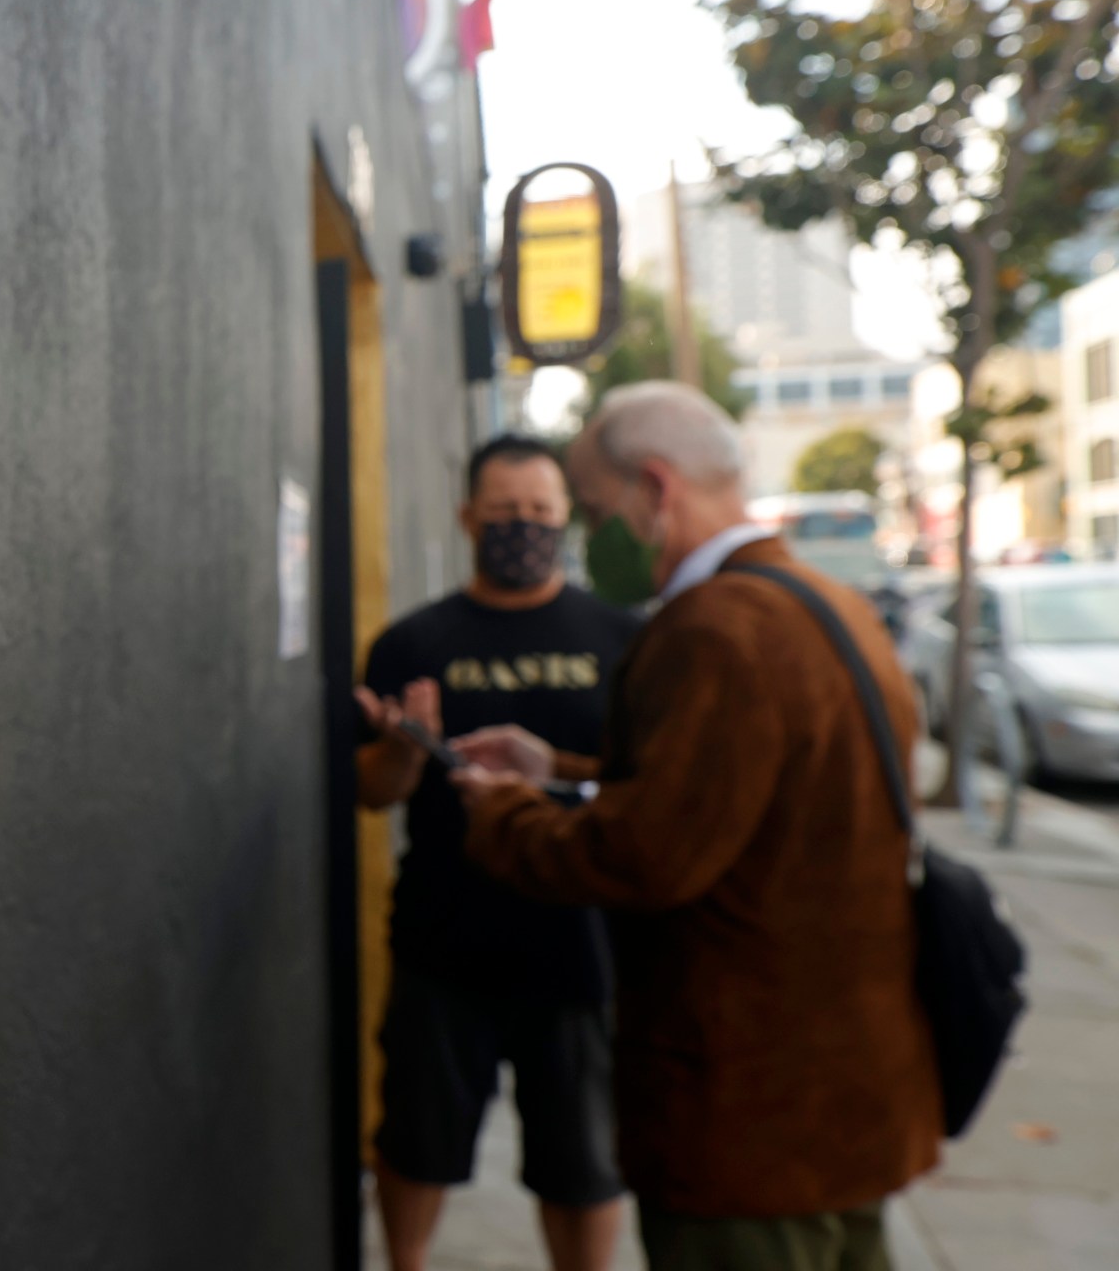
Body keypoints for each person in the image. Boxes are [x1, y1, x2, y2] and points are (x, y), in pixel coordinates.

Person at [451, 383, 941, 1271]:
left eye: (593, 508)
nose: (589, 534)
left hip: (746, 1112)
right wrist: (559, 771)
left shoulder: (716, 628)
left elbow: (644, 858)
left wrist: (504, 813)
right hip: (848, 1098)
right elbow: (752, 797)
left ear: (655, 488)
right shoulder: (830, 607)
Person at [353, 434, 639, 1271]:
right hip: (446, 945)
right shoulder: (413, 642)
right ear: (467, 517)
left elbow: (644, 782)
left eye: (540, 512)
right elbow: (371, 791)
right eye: (505, 512)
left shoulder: (620, 641)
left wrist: (558, 774)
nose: (523, 527)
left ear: (566, 521)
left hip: (581, 948)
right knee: (415, 1143)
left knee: (584, 1165)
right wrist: (408, 750)